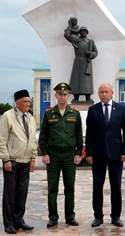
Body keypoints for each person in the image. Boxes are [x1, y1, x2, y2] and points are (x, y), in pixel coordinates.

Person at [85, 83, 125, 228]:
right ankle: (98, 216)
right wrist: (89, 153)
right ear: (98, 94)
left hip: (116, 154)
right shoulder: (93, 110)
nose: (104, 94)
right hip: (98, 154)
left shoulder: (121, 109)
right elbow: (89, 134)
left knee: (116, 186)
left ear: (112, 93)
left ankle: (116, 216)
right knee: (97, 186)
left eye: (106, 92)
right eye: (101, 92)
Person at [38, 82, 82, 228]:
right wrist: (44, 153)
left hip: (70, 154)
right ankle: (53, 217)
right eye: (60, 94)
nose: (62, 97)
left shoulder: (74, 114)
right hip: (54, 154)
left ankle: (70, 216)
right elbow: (43, 136)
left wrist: (78, 153)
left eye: (65, 94)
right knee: (53, 187)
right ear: (55, 95)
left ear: (68, 96)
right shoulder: (49, 114)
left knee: (69, 187)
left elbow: (79, 136)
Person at [0, 90, 37, 234]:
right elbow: (1, 140)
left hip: (25, 161)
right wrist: (5, 159)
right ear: (16, 102)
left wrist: (32, 158)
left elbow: (32, 140)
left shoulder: (30, 118)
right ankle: (9, 223)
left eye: (28, 101)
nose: (27, 104)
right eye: (24, 101)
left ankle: (19, 220)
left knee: (22, 192)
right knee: (10, 193)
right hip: (12, 161)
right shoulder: (8, 116)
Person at [68, 27, 98, 102]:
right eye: (82, 31)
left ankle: (88, 96)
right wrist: (70, 26)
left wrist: (91, 54)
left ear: (87, 32)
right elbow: (67, 35)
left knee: (87, 80)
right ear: (79, 32)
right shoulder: (76, 40)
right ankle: (76, 96)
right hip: (78, 62)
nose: (83, 33)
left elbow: (96, 51)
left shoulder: (90, 42)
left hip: (87, 62)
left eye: (85, 31)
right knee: (76, 79)